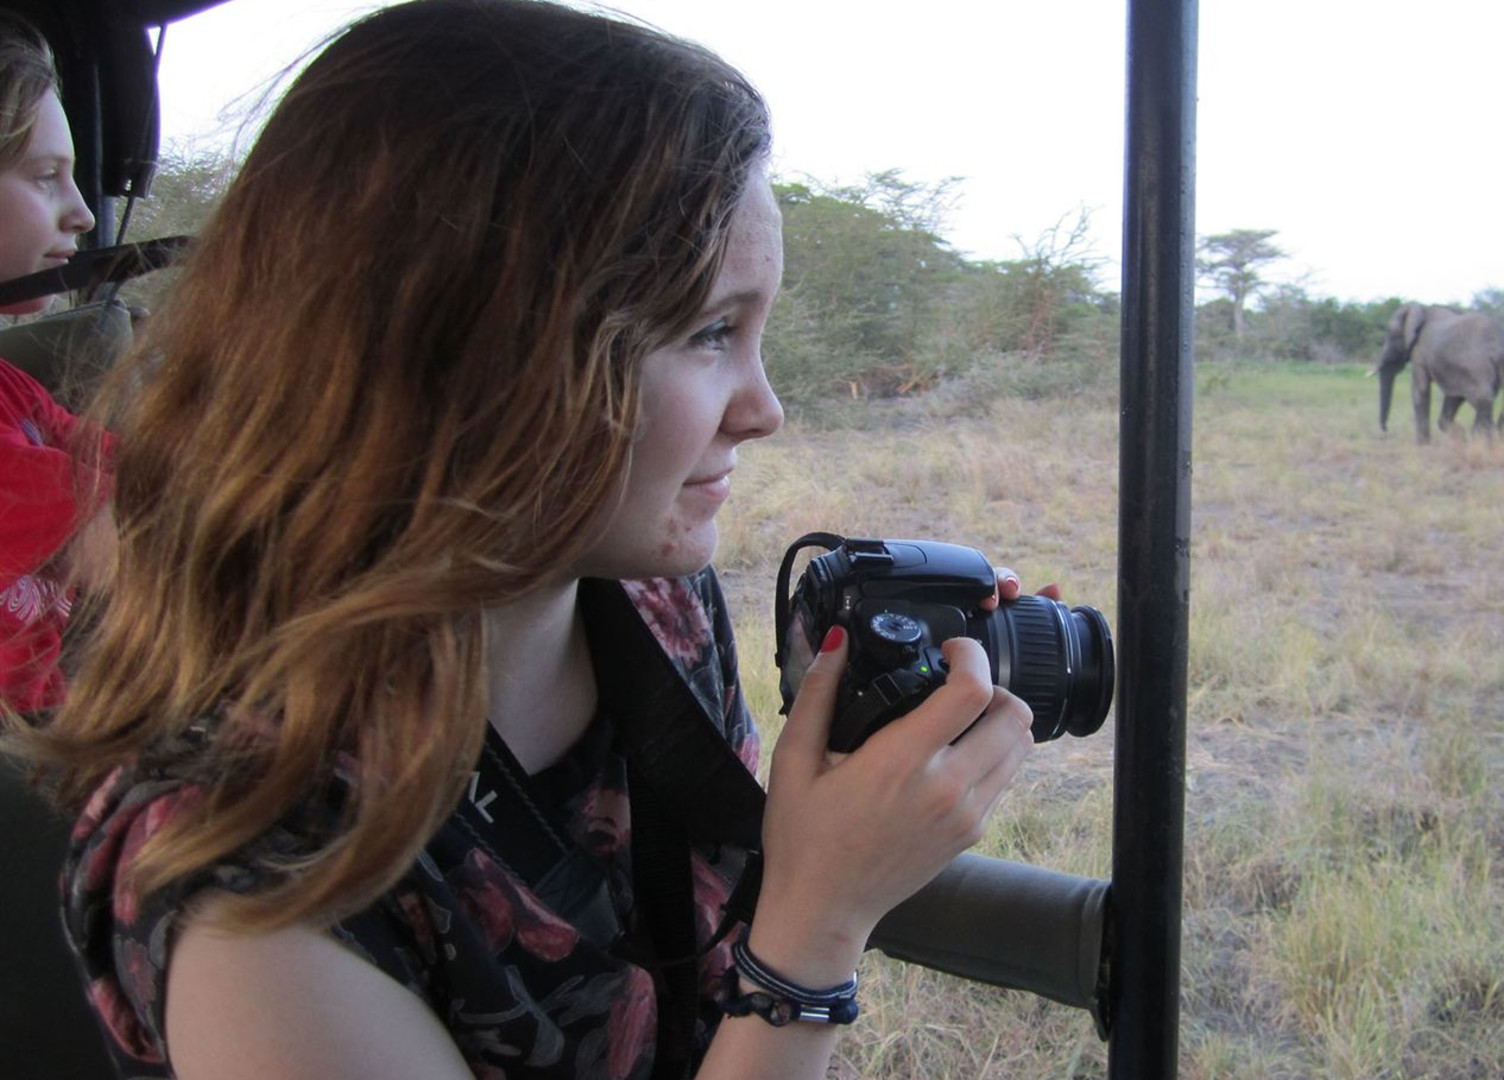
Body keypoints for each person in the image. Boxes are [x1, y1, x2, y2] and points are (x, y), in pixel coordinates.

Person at [13, 2, 1039, 1077]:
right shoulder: (255, 906)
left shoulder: (648, 599)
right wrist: (818, 932)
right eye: (709, 332)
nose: (766, 408)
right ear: (474, 349)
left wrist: (851, 777)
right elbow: (778, 954)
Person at [0, 12, 101, 713]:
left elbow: (136, 463)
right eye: (46, 177)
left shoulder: (13, 390)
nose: (84, 213)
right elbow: (153, 537)